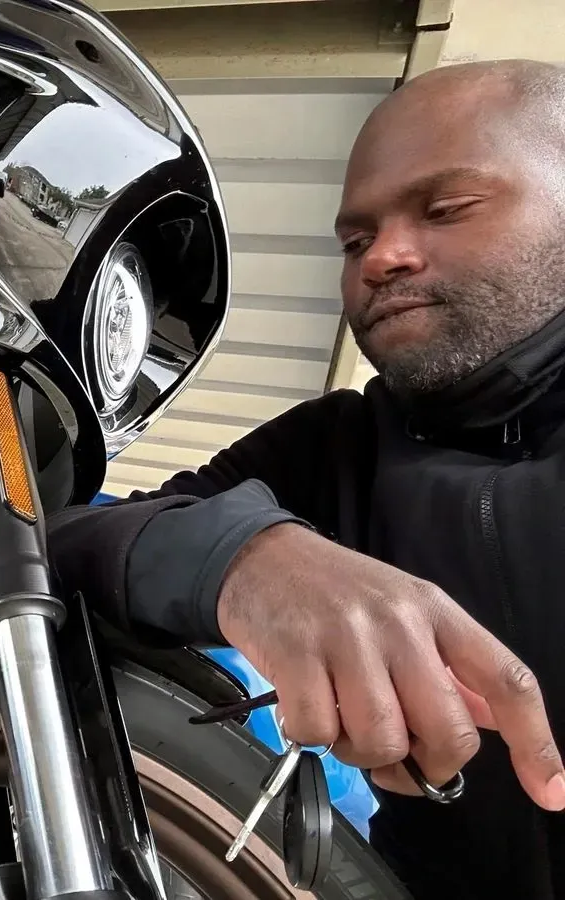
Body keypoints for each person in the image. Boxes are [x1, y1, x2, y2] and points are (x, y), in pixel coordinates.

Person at [48, 59, 565, 898]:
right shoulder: (341, 444)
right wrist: (244, 557)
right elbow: (61, 540)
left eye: (444, 210)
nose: (383, 258)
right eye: (355, 240)